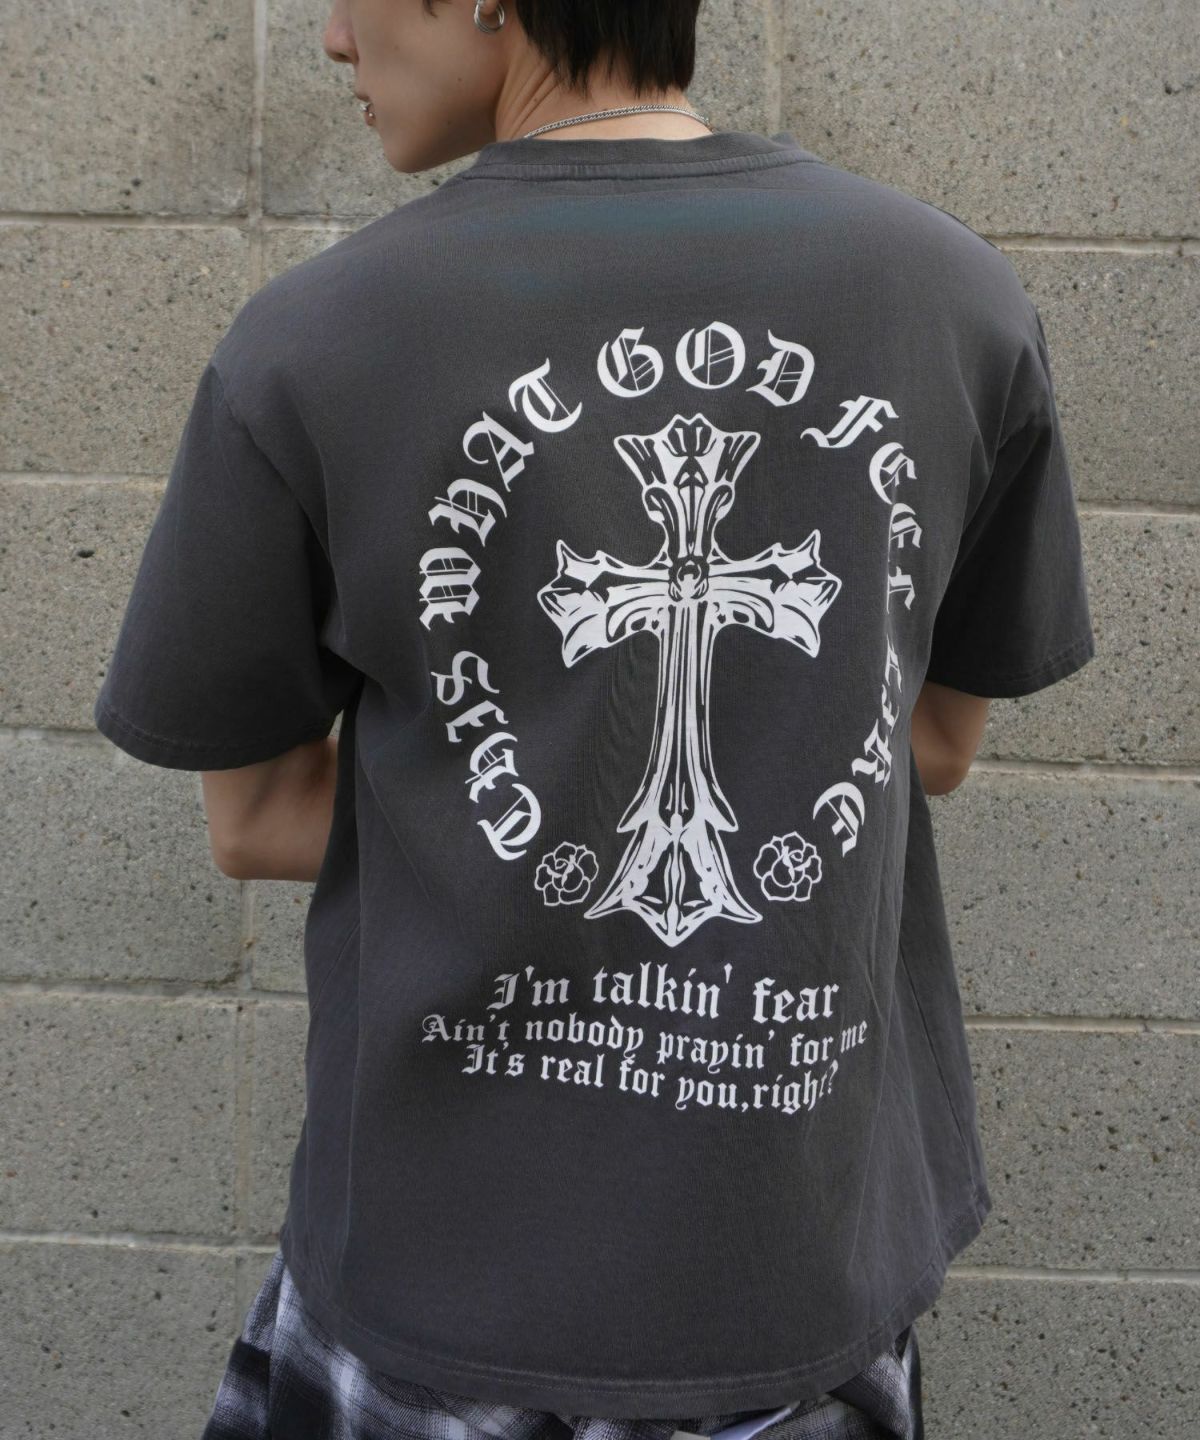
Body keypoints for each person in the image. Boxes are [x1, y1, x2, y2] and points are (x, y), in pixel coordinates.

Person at [92, 2, 1096, 1438]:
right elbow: (929, 746)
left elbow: (255, 821)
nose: (330, 37)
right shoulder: (957, 301)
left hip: (442, 1292)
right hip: (796, 1288)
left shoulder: (313, 342)